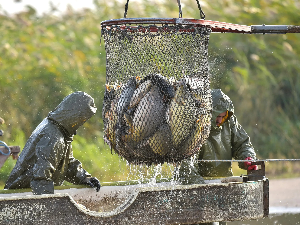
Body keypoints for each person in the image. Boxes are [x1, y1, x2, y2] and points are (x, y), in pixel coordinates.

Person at [178, 89, 257, 225]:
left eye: (223, 116)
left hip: (222, 186)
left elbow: (243, 143)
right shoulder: (196, 125)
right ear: (209, 113)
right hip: (196, 189)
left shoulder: (230, 121)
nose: (220, 120)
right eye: (217, 116)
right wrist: (202, 189)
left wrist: (248, 158)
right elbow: (185, 165)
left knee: (219, 221)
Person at [4, 91, 101, 195]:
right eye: (82, 118)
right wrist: (49, 203)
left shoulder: (59, 129)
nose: (82, 122)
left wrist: (85, 178)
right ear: (74, 115)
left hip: (28, 191)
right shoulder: (53, 135)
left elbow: (67, 164)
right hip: (23, 193)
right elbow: (41, 173)